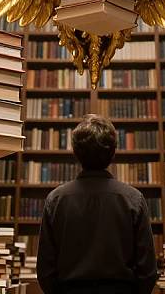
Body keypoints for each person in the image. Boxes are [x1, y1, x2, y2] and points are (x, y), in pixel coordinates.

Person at [36, 114, 157, 294]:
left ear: (76, 152)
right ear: (113, 151)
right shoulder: (133, 199)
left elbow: (45, 271)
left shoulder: (56, 200)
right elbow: (147, 271)